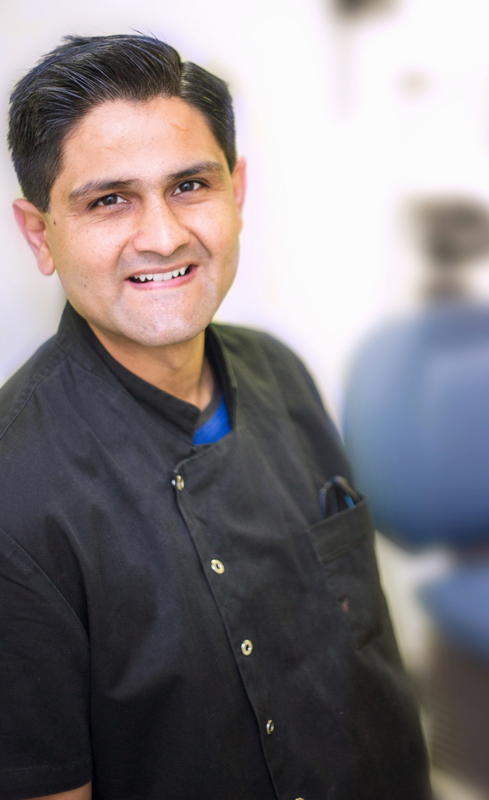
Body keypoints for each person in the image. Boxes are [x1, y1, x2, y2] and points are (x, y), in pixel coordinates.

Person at [0, 34, 431, 800]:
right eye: (109, 200)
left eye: (190, 185)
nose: (164, 236)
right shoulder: (15, 490)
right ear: (41, 233)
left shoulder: (279, 371)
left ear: (237, 192)